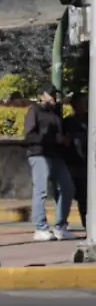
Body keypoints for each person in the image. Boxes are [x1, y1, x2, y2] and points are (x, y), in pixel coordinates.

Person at [22, 85, 74, 241]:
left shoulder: (55, 113)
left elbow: (59, 133)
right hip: (39, 154)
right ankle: (40, 227)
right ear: (41, 96)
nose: (53, 98)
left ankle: (60, 226)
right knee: (41, 190)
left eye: (54, 95)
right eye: (50, 95)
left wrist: (64, 139)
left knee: (68, 187)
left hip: (56, 154)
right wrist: (52, 139)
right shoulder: (34, 111)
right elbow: (29, 136)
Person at [64, 92, 88, 232]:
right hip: (73, 163)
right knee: (76, 194)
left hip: (86, 164)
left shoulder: (90, 119)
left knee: (85, 196)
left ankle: (87, 223)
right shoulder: (68, 122)